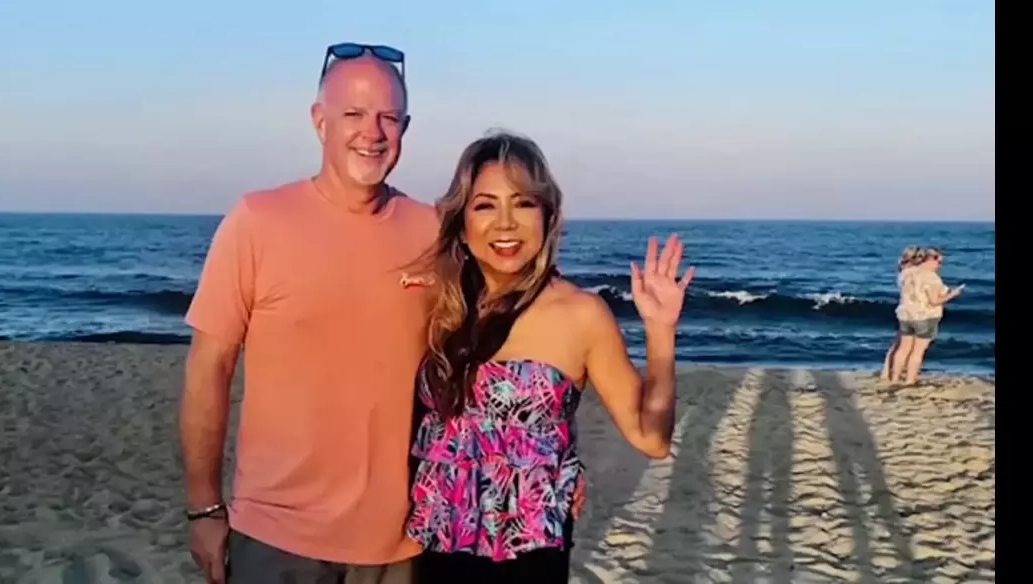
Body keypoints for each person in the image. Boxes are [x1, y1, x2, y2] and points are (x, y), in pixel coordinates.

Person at [178, 43, 438, 584]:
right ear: (320, 122)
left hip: (398, 545)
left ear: (406, 128)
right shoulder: (256, 222)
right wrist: (204, 508)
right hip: (276, 540)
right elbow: (209, 370)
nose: (373, 132)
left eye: (388, 117)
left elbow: (488, 353)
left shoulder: (433, 232)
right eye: (354, 114)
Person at [403, 131, 694, 582]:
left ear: (547, 214)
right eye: (485, 205)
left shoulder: (580, 314)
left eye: (523, 203)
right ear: (462, 223)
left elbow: (650, 438)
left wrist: (660, 333)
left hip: (529, 558)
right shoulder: (439, 306)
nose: (505, 224)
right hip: (434, 549)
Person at [888, 246, 963, 385]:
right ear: (931, 259)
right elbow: (934, 301)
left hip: (905, 315)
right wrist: (952, 294)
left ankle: (894, 379)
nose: (940, 266)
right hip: (924, 317)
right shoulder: (932, 278)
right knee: (917, 352)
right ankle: (909, 380)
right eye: (939, 262)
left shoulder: (907, 272)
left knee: (903, 349)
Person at [879, 246, 922, 381]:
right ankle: (894, 373)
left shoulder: (904, 272)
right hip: (911, 312)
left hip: (904, 310)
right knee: (905, 346)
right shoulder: (911, 273)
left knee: (898, 343)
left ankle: (886, 372)